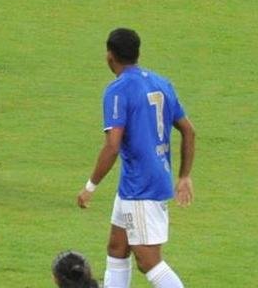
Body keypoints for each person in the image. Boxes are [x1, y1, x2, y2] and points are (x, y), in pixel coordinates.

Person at [77, 28, 195, 288]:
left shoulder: (118, 90)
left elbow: (112, 146)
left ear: (110, 56)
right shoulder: (161, 83)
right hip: (138, 182)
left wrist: (90, 187)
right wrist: (184, 176)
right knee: (117, 248)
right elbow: (189, 130)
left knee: (148, 261)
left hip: (141, 186)